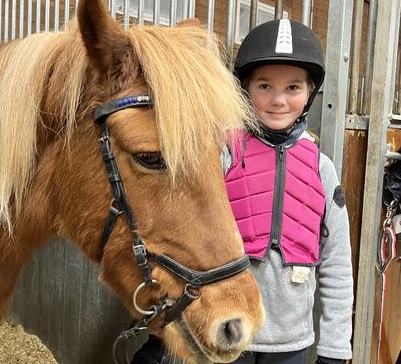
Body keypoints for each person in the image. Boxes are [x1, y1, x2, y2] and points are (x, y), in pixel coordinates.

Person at [132, 19, 353, 364]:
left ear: (310, 93)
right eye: (265, 85)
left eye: (293, 87)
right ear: (245, 88)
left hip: (290, 343)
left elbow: (337, 263)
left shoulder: (321, 169)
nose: (278, 100)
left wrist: (335, 348)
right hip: (221, 332)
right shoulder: (223, 154)